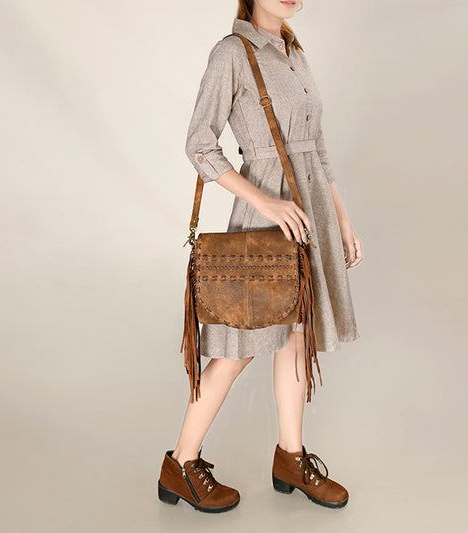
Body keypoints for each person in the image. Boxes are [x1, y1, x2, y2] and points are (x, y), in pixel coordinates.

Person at [158, 0, 363, 513]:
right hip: (267, 214)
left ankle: (291, 458)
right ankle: (181, 463)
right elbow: (199, 143)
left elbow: (316, 147)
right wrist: (265, 201)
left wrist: (341, 218)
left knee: (298, 334)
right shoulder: (233, 52)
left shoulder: (295, 52)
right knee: (239, 346)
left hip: (311, 214)